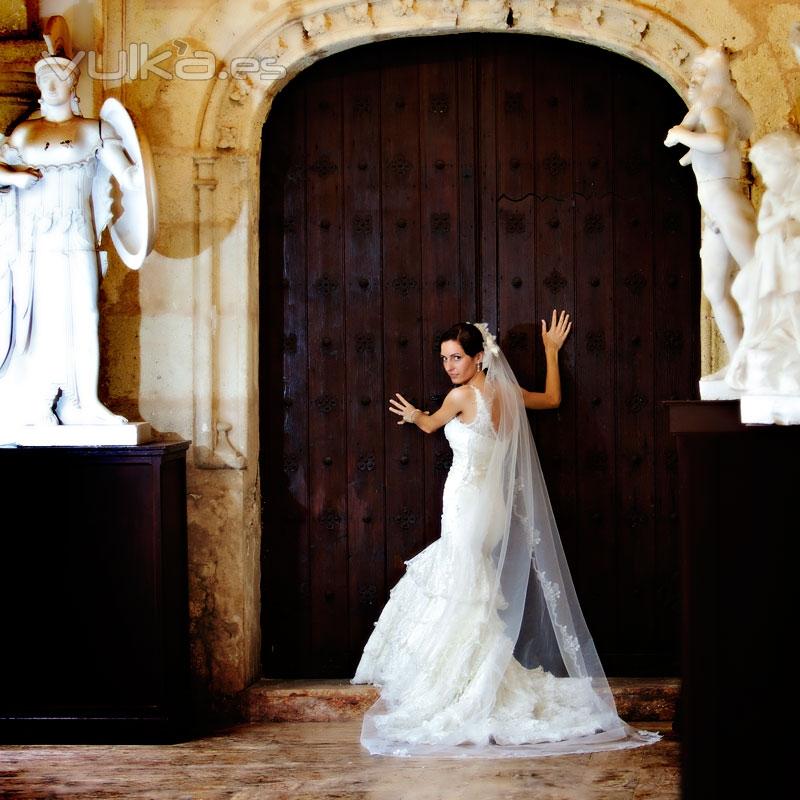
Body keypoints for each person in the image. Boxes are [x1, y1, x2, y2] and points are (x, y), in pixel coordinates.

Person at [352, 312, 659, 757]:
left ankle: (466, 683)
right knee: (470, 586)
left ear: (479, 357)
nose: (449, 366)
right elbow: (553, 399)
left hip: (466, 503)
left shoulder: (460, 397)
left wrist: (417, 413)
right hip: (490, 506)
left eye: (456, 357)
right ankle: (475, 673)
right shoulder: (506, 393)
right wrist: (551, 353)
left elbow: (430, 424)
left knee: (462, 586)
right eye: (444, 359)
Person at [0, 54, 140, 427]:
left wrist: (133, 178)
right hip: (34, 242)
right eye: (44, 76)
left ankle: (85, 401)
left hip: (77, 235)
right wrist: (15, 178)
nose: (51, 83)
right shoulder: (23, 133)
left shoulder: (93, 129)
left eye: (60, 76)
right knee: (40, 319)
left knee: (85, 314)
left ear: (73, 84)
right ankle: (40, 399)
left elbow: (126, 172)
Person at [664, 47, 757, 379]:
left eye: (700, 76)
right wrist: (688, 151)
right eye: (693, 75)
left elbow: (718, 143)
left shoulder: (714, 110)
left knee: (758, 278)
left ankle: (771, 356)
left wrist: (682, 135)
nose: (693, 81)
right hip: (713, 210)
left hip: (727, 204)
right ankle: (739, 363)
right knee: (716, 290)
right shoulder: (705, 113)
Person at [725, 130, 800, 414]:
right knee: (742, 287)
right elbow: (764, 227)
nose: (765, 178)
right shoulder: (773, 197)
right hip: (774, 259)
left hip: (790, 260)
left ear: (786, 165)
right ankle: (762, 334)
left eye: (768, 171)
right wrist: (783, 219)